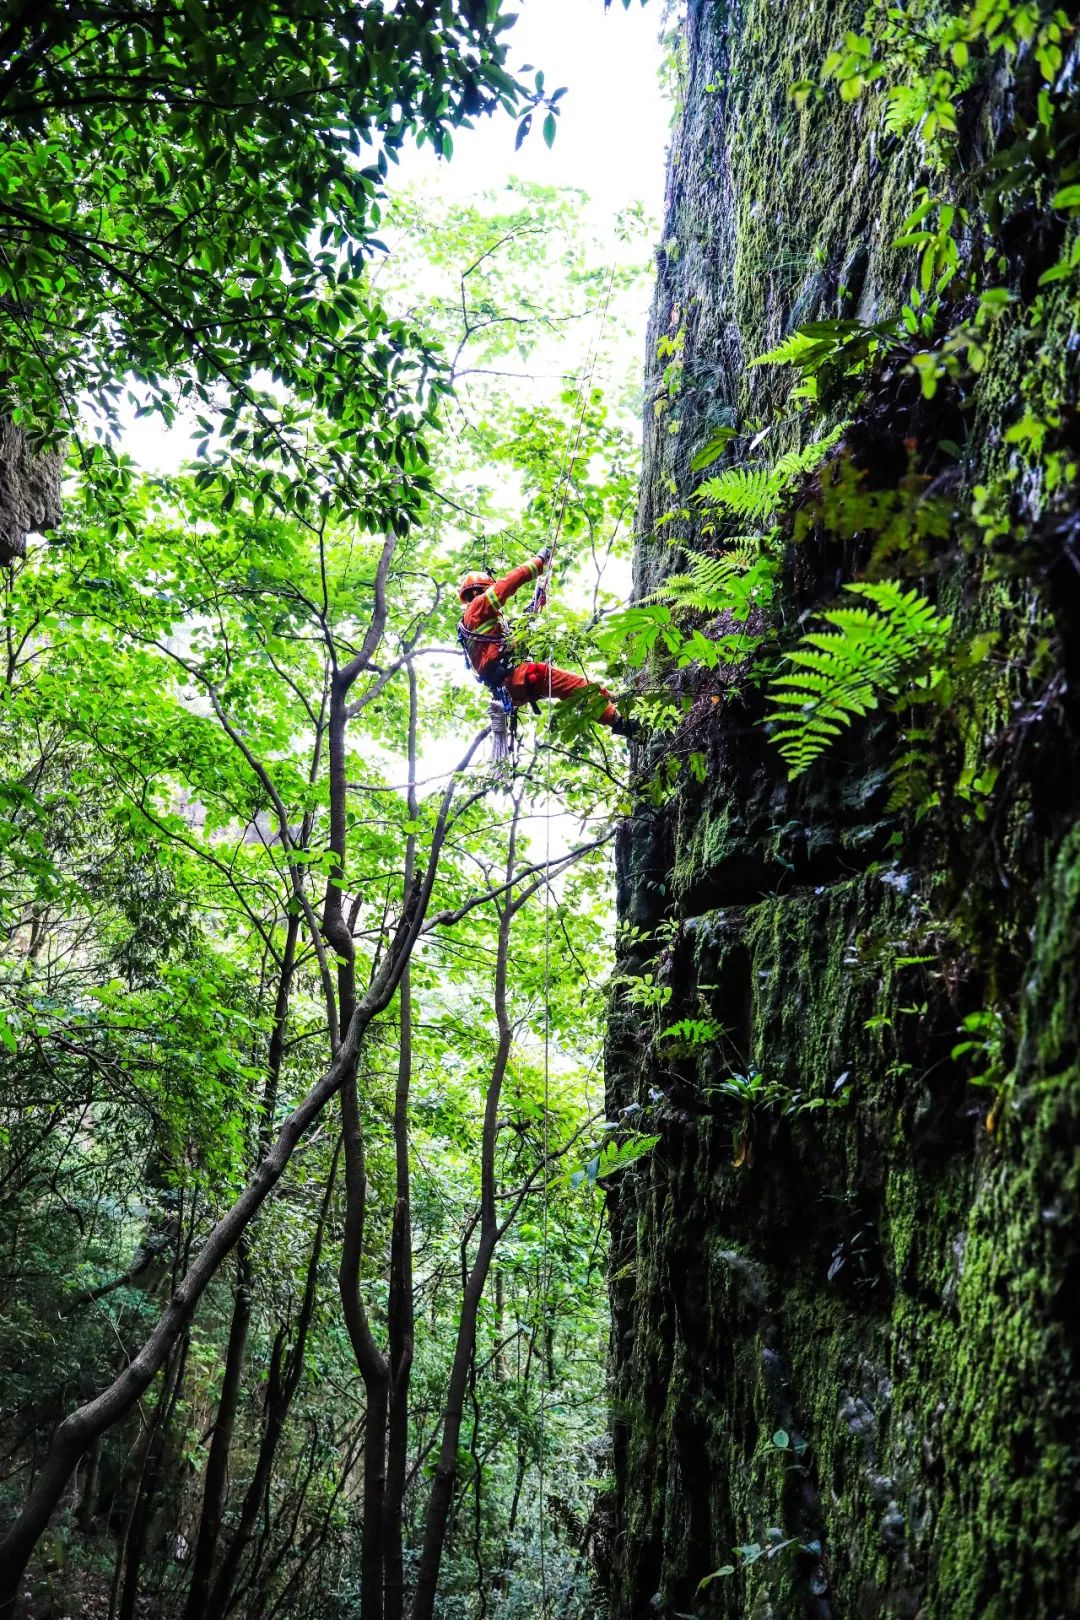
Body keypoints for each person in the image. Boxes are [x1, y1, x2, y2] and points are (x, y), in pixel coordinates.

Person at [457, 549, 634, 734]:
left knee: (578, 687)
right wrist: (539, 561)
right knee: (578, 687)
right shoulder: (479, 606)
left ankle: (616, 699)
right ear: (479, 590)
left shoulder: (476, 627)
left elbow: (516, 636)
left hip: (513, 688)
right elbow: (507, 584)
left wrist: (535, 604)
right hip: (521, 676)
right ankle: (622, 724)